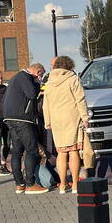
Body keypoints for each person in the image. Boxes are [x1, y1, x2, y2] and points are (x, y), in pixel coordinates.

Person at [43, 55, 89, 194]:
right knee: (73, 151)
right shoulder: (72, 79)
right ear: (69, 66)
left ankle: (62, 185)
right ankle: (75, 184)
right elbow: (80, 99)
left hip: (57, 120)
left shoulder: (49, 82)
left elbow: (46, 104)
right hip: (72, 118)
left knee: (61, 152)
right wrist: (85, 117)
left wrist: (48, 121)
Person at [3, 62, 48, 194]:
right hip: (22, 118)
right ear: (38, 72)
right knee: (32, 149)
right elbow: (32, 94)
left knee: (17, 151)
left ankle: (19, 184)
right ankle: (30, 184)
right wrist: (38, 84)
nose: (39, 78)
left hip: (10, 118)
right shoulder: (25, 77)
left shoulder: (15, 78)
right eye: (40, 75)